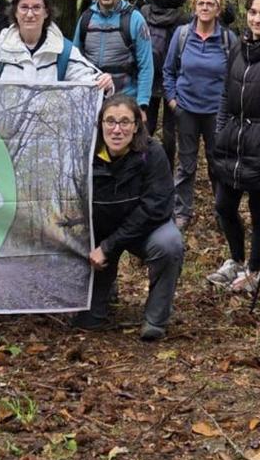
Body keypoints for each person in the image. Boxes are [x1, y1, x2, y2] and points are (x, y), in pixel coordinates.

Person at [71, 95, 184, 341]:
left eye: (125, 122)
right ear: (100, 124)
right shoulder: (86, 154)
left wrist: (110, 247)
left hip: (143, 230)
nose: (117, 129)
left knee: (169, 244)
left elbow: (155, 208)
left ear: (136, 126)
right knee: (87, 323)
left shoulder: (153, 153)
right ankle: (103, 293)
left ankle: (155, 319)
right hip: (98, 234)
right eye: (110, 121)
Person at [207, 0, 260, 293]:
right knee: (224, 206)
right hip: (232, 142)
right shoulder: (237, 50)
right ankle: (235, 259)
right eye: (253, 12)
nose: (257, 19)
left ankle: (254, 270)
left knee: (259, 212)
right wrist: (220, 132)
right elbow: (225, 95)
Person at [162, 0, 236, 230]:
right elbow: (169, 70)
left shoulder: (227, 39)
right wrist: (173, 101)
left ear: (218, 9)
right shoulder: (182, 35)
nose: (205, 8)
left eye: (210, 4)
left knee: (219, 164)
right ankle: (182, 212)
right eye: (201, 3)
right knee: (186, 164)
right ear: (194, 7)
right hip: (186, 111)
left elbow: (236, 75)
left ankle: (222, 211)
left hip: (217, 112)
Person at [0, 0, 112, 90]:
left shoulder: (62, 50)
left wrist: (104, 83)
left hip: (48, 127)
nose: (30, 14)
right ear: (15, 12)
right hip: (2, 127)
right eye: (24, 7)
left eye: (37, 7)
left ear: (46, 12)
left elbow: (90, 79)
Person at [73, 0, 154, 110]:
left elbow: (146, 65)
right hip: (90, 97)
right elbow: (74, 60)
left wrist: (142, 104)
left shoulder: (134, 19)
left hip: (126, 98)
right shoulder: (86, 18)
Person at [139, 0, 188, 167]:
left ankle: (142, 165)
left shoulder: (143, 13)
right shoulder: (183, 19)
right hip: (171, 80)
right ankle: (166, 171)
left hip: (147, 76)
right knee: (169, 131)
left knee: (145, 126)